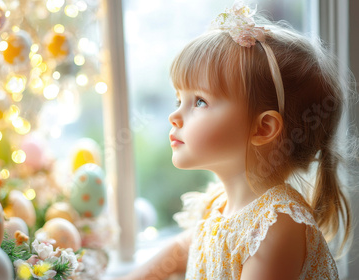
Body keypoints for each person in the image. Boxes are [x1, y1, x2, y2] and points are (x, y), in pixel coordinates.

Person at [115, 1, 356, 279]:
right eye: (179, 99)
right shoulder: (215, 205)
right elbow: (177, 253)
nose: (174, 116)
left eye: (200, 102)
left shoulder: (276, 226)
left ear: (263, 128)